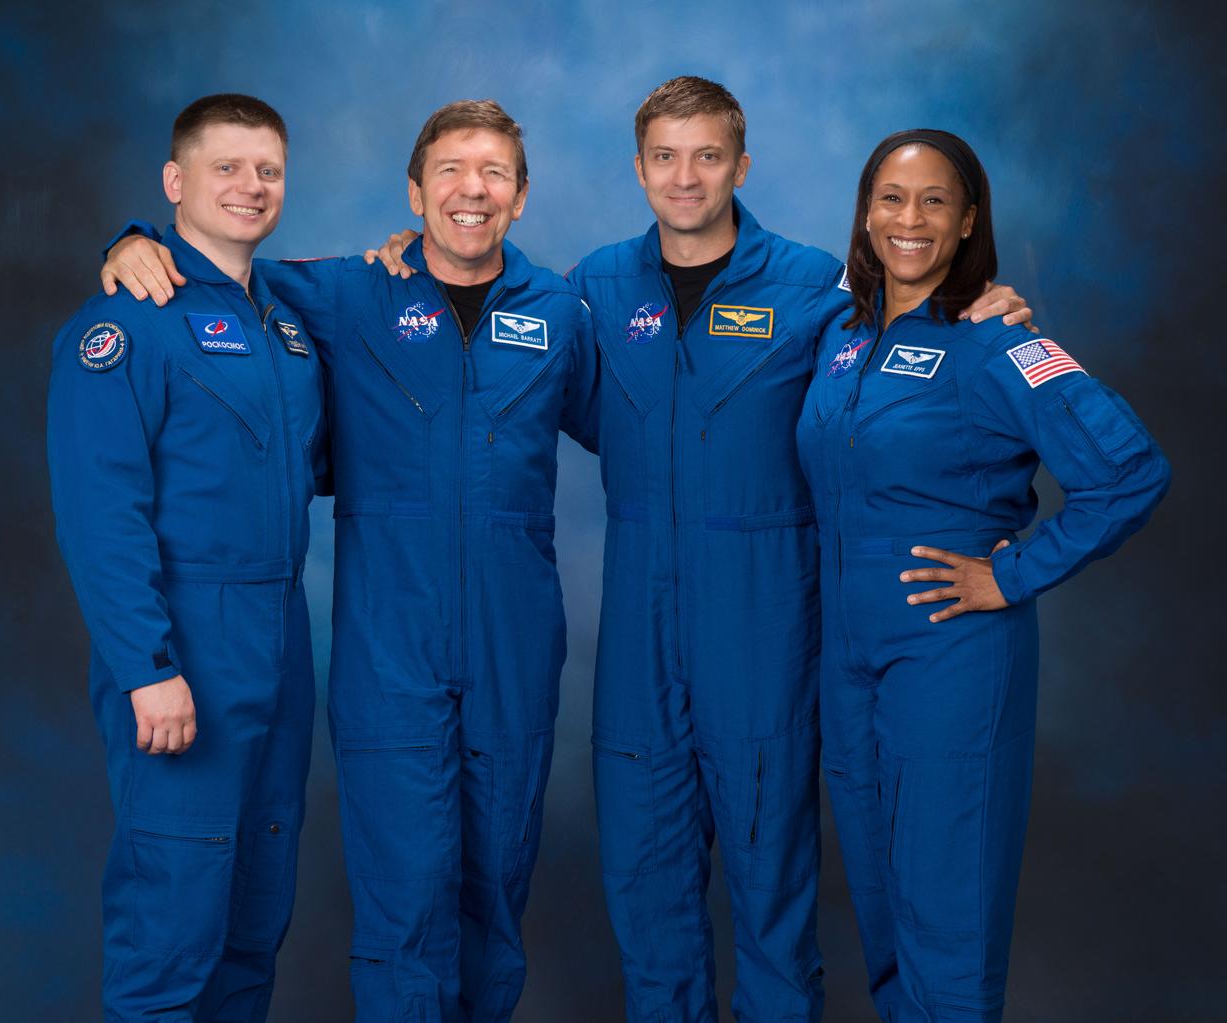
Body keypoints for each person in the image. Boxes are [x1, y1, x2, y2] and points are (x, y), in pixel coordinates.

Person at [369, 77, 1033, 1023]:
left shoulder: (817, 286)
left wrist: (984, 301)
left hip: (763, 627)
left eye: (708, 155)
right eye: (666, 156)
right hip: (639, 638)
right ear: (639, 169)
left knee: (771, 901)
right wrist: (412, 253)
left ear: (741, 166)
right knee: (649, 900)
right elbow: (493, 322)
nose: (687, 177)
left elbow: (917, 304)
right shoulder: (592, 288)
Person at [100, 99, 599, 1023]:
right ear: (416, 193)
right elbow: (223, 265)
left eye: (494, 173)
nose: (471, 190)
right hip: (390, 650)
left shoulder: (564, 313)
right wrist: (134, 241)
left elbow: (655, 424)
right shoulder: (347, 294)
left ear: (522, 198)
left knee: (496, 895)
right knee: (404, 904)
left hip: (516, 649)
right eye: (450, 170)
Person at [796, 130, 1170, 1022]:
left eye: (933, 201)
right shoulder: (840, 334)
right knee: (881, 909)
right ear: (865, 211)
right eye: (891, 197)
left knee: (945, 915)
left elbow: (1131, 471)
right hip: (846, 660)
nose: (909, 219)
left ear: (968, 221)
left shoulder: (996, 340)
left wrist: (1013, 574)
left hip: (950, 655)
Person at [47, 94, 327, 1023]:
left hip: (281, 639)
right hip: (186, 645)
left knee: (254, 916)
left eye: (269, 171)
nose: (252, 187)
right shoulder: (128, 324)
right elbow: (101, 515)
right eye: (227, 168)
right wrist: (147, 666)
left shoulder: (285, 321)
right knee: (175, 919)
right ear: (176, 183)